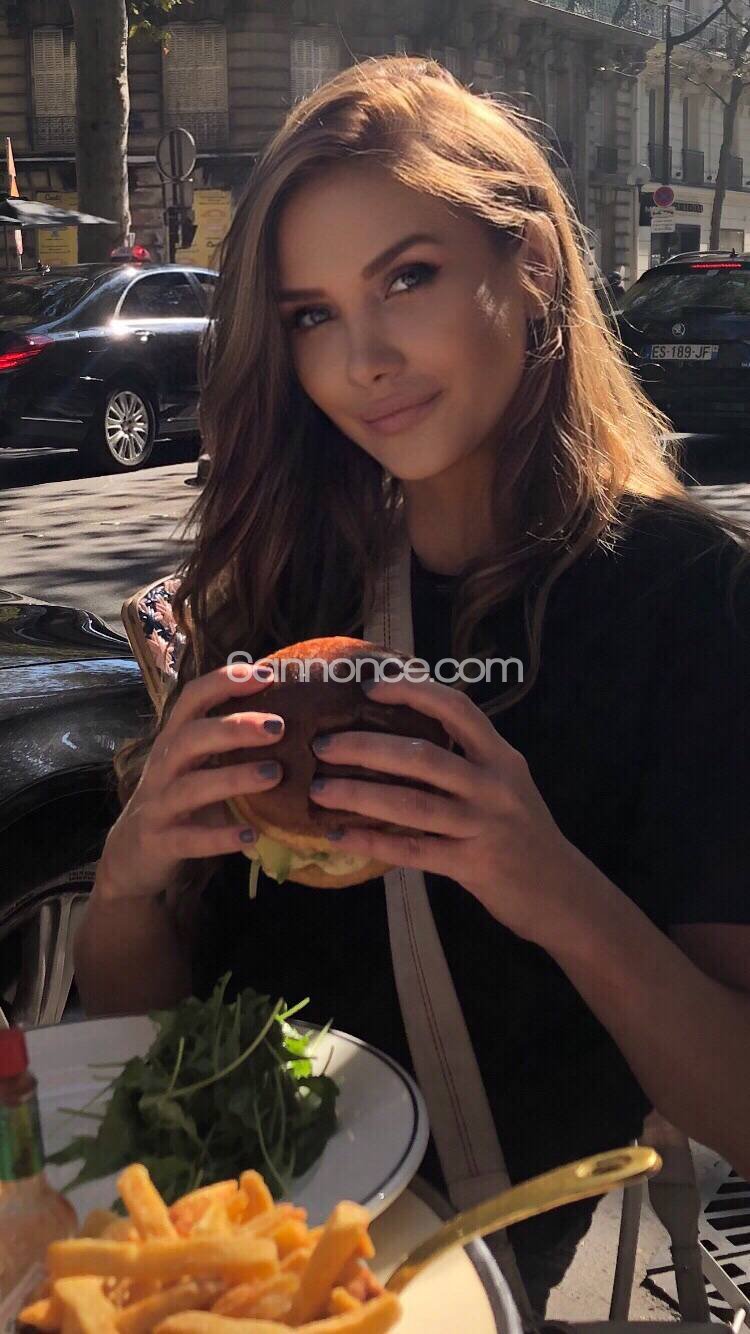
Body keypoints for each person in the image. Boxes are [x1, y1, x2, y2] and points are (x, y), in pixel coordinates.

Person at [75, 56, 750, 1319]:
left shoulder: (687, 600)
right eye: (310, 314)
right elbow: (143, 1031)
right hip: (215, 1233)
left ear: (530, 262)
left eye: (408, 278)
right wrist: (131, 876)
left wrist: (544, 880)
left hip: (448, 1266)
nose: (364, 359)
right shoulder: (279, 575)